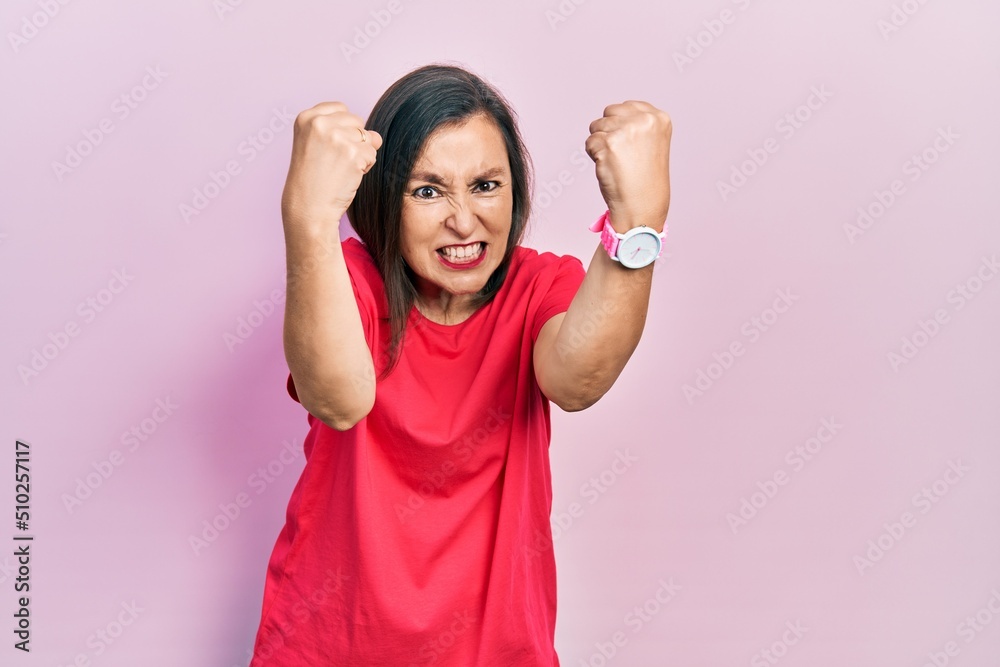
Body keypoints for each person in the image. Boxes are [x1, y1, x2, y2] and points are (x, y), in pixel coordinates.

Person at [249, 63, 672, 666]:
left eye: (485, 185)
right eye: (427, 190)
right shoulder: (350, 282)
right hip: (329, 647)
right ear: (384, 201)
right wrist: (308, 218)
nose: (464, 221)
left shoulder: (541, 285)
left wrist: (640, 219)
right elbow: (337, 398)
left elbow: (576, 381)